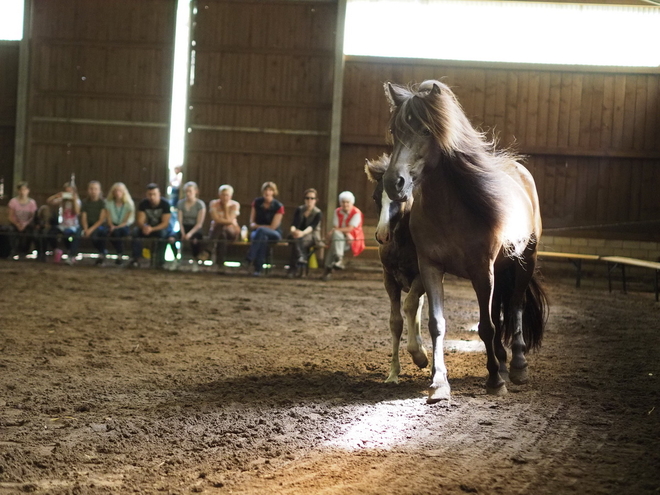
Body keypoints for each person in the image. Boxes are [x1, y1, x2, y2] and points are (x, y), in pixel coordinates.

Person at [322, 190, 365, 281]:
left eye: (347, 202)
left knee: (335, 238)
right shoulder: (337, 211)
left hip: (353, 240)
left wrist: (344, 232)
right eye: (343, 202)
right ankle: (339, 259)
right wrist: (338, 231)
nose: (345, 204)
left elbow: (350, 228)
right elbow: (336, 227)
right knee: (336, 239)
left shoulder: (357, 213)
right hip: (341, 239)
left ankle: (327, 270)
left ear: (351, 202)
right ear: (340, 202)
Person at [246, 181, 284, 276]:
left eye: (270, 190)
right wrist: (257, 227)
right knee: (262, 238)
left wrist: (258, 227)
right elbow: (251, 222)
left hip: (274, 233)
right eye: (266, 190)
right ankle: (258, 269)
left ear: (274, 192)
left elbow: (273, 227)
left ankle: (249, 258)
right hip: (258, 233)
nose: (267, 192)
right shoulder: (257, 202)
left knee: (261, 232)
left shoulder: (278, 206)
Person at [130, 183, 172, 269]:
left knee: (163, 235)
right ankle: (136, 259)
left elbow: (165, 223)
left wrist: (152, 229)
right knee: (135, 232)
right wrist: (144, 227)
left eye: (154, 194)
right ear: (146, 195)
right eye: (150, 194)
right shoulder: (143, 204)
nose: (152, 197)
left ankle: (160, 261)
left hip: (160, 228)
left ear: (159, 194)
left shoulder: (165, 204)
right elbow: (140, 221)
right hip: (147, 228)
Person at [170, 181, 206, 272]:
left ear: (196, 191)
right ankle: (176, 259)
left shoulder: (200, 205)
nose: (188, 193)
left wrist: (189, 234)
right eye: (186, 191)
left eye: (190, 191)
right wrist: (183, 233)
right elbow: (180, 221)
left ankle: (195, 261)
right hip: (183, 227)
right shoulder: (180, 203)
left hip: (195, 229)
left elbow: (199, 224)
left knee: (195, 240)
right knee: (171, 238)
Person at [287, 188, 322, 278]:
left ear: (316, 200)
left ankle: (293, 268)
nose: (309, 200)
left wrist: (301, 233)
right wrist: (293, 230)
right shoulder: (299, 209)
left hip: (312, 235)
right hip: (297, 234)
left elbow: (312, 227)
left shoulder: (318, 213)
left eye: (312, 198)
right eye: (307, 198)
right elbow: (294, 223)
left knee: (297, 240)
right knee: (296, 239)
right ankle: (300, 258)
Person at [207, 184, 241, 272]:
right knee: (222, 235)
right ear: (219, 195)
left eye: (227, 195)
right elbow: (216, 219)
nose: (225, 197)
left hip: (231, 231)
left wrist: (226, 208)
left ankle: (208, 250)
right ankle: (220, 265)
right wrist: (224, 221)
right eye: (223, 194)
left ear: (231, 196)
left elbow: (229, 221)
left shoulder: (235, 204)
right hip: (217, 232)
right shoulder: (214, 203)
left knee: (220, 226)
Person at [47, 181, 81, 264]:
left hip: (73, 226)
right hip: (62, 225)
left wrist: (74, 200)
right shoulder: (62, 201)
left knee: (68, 235)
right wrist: (57, 196)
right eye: (67, 191)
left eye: (70, 191)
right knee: (50, 233)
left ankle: (71, 254)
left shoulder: (77, 201)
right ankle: (56, 250)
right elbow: (49, 201)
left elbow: (77, 212)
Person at [105, 182, 135, 265]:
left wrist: (116, 227)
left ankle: (120, 254)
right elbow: (108, 217)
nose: (118, 193)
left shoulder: (129, 204)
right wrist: (111, 225)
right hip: (112, 225)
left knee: (117, 232)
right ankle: (119, 253)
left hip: (124, 226)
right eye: (116, 191)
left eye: (120, 191)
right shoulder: (109, 203)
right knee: (111, 233)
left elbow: (126, 221)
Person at [7, 181, 38, 258]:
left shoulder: (32, 203)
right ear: (18, 191)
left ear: (28, 190)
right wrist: (17, 224)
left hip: (27, 224)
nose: (22, 192)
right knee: (11, 231)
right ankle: (13, 250)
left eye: (24, 189)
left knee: (30, 232)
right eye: (21, 190)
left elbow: (32, 216)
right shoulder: (13, 202)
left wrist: (25, 224)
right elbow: (10, 216)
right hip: (16, 223)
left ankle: (24, 251)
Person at [80, 181, 108, 265]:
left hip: (99, 226)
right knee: (78, 233)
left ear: (99, 191)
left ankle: (102, 253)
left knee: (96, 235)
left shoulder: (103, 202)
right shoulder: (85, 202)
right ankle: (71, 255)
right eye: (91, 189)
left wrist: (90, 230)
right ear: (88, 190)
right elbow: (83, 217)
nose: (93, 191)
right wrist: (85, 229)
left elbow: (101, 219)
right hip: (88, 226)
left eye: (95, 189)